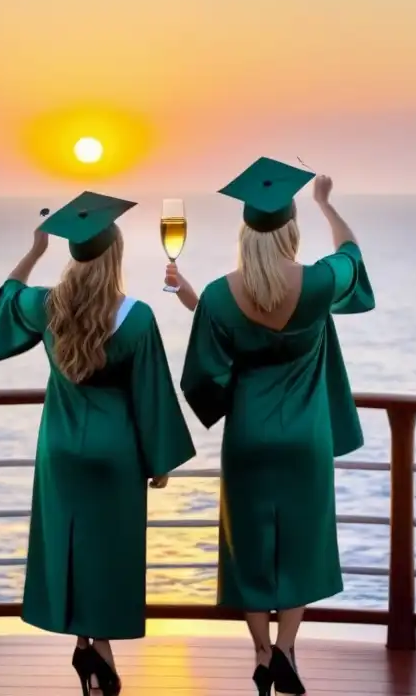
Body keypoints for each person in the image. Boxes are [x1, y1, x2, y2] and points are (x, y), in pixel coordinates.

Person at [164, 158, 374, 696]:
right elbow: (352, 255)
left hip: (249, 439)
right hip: (305, 438)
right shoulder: (319, 284)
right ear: (291, 228)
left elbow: (206, 371)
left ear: (245, 233)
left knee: (249, 547)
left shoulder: (216, 294)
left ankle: (260, 654)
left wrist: (195, 301)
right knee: (300, 543)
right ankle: (285, 649)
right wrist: (326, 202)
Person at [0, 191, 196, 696]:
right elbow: (152, 394)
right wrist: (159, 459)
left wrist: (35, 251)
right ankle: (99, 651)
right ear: (115, 257)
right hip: (115, 453)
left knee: (72, 547)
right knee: (110, 553)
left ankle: (86, 646)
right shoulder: (138, 317)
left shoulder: (45, 306)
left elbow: (3, 302)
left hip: (60, 450)